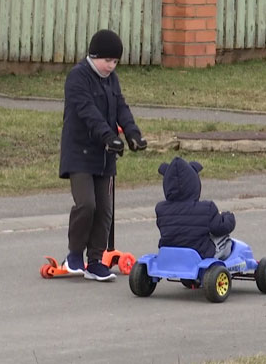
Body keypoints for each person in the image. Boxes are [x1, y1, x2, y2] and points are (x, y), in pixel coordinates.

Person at [59, 29, 147, 282]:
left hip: (105, 155)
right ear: (93, 56)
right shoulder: (77, 77)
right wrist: (108, 136)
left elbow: (121, 107)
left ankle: (95, 260)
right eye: (107, 60)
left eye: (115, 62)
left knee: (105, 210)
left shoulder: (112, 79)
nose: (111, 66)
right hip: (79, 153)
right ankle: (75, 255)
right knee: (86, 204)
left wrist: (133, 134)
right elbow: (88, 112)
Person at [155, 157, 236, 260]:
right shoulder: (207, 208)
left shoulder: (161, 209)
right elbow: (221, 227)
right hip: (199, 255)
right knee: (224, 239)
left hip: (170, 254)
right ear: (194, 183)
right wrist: (228, 216)